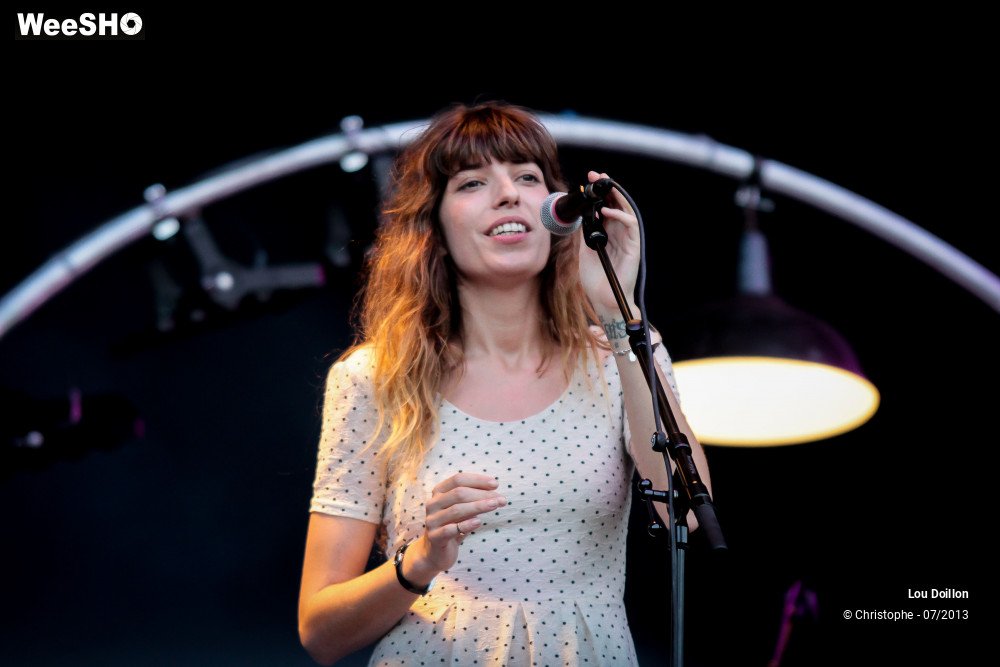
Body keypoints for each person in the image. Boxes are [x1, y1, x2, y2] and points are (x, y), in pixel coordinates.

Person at [298, 101, 712, 666]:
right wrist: (418, 561)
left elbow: (686, 511)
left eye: (526, 177)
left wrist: (619, 318)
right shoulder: (372, 378)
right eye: (473, 182)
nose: (509, 193)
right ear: (435, 229)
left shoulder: (623, 350)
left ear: (557, 214)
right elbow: (321, 632)